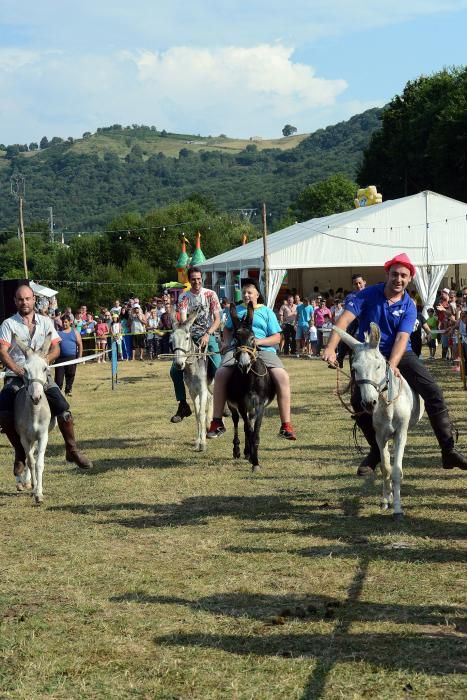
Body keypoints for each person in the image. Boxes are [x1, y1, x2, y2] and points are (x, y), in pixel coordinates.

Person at [323, 253, 467, 475]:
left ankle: (448, 451)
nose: (398, 279)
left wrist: (391, 365)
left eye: (403, 275)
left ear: (409, 279)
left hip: (400, 354)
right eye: (394, 274)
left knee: (434, 391)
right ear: (387, 274)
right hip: (368, 354)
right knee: (357, 400)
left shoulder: (409, 305)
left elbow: (402, 338)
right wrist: (331, 347)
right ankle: (375, 451)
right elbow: (344, 321)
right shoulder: (367, 295)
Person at [0, 285, 92, 473]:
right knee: (3, 410)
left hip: (41, 376)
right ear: (15, 301)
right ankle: (20, 453)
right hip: (17, 376)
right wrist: (18, 370)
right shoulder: (8, 324)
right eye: (20, 299)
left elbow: (56, 348)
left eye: (27, 298)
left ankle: (72, 449)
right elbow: (3, 351)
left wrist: (43, 362)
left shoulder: (46, 322)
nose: (24, 302)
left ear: (34, 299)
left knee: (63, 409)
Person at [206, 278, 296, 440]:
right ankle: (217, 422)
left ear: (257, 294)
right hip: (237, 349)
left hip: (263, 350)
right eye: (244, 292)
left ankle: (286, 425)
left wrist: (259, 342)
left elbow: (277, 337)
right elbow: (227, 330)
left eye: (250, 292)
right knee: (220, 374)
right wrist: (226, 342)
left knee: (282, 376)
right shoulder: (235, 310)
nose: (246, 295)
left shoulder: (266, 311)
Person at [170, 267, 221, 423]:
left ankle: (222, 400)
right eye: (193, 279)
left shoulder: (211, 295)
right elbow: (185, 321)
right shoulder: (184, 297)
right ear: (189, 280)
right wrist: (189, 335)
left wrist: (207, 334)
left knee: (219, 367)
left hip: (208, 335)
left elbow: (217, 319)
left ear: (202, 279)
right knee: (174, 370)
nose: (196, 281)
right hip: (190, 336)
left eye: (198, 278)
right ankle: (183, 404)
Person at [336, 273, 366, 368]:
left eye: (360, 283)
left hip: (368, 321)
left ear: (364, 282)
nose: (358, 286)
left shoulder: (371, 293)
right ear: (353, 285)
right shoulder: (350, 297)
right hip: (355, 320)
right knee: (347, 333)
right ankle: (340, 358)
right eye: (355, 284)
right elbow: (349, 311)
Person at [54, 314, 83, 396]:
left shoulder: (75, 332)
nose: (64, 324)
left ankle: (68, 390)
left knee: (70, 375)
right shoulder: (58, 333)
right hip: (60, 359)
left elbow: (80, 344)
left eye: (66, 322)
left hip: (72, 357)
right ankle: (58, 392)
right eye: (63, 322)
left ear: (70, 322)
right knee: (58, 378)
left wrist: (80, 356)